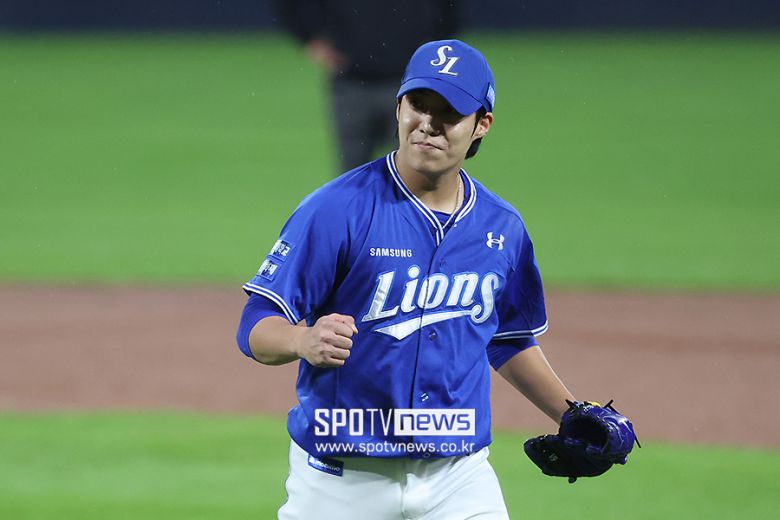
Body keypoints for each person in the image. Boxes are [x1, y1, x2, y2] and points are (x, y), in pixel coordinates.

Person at [237, 39, 576, 519]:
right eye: (419, 104)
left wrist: (572, 415)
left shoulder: (502, 228)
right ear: (399, 107)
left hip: (459, 480)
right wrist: (301, 339)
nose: (428, 124)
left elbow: (507, 339)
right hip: (341, 482)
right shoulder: (336, 210)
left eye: (450, 112)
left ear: (481, 124)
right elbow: (255, 324)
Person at [275, 1, 461, 172]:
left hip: (411, 83)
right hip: (352, 80)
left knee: (412, 173)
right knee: (352, 178)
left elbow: (452, 9)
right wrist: (308, 37)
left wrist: (437, 44)